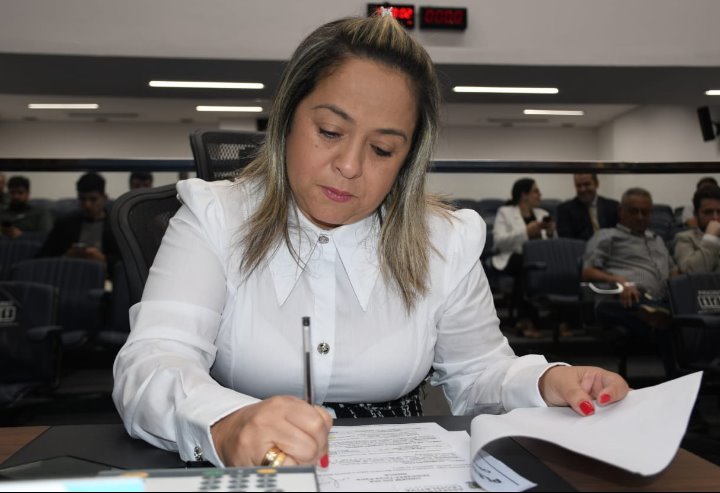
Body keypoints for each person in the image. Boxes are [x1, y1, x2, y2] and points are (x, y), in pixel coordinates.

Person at [112, 13, 628, 470]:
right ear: (287, 118)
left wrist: (545, 383)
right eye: (331, 132)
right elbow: (154, 360)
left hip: (402, 472)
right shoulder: (215, 216)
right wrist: (225, 422)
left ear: (407, 160)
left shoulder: (445, 240)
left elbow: (478, 373)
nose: (351, 166)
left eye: (382, 149)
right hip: (250, 469)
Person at [582, 187, 678, 339]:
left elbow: (673, 271)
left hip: (663, 299)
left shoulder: (657, 239)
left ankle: (659, 318)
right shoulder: (606, 236)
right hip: (629, 298)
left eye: (645, 212)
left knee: (681, 306)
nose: (640, 217)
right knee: (612, 308)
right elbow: (588, 272)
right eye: (634, 211)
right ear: (620, 211)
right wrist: (620, 281)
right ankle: (659, 320)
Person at [491, 178, 554, 338]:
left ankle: (530, 320)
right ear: (524, 195)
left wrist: (551, 233)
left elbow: (552, 245)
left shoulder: (543, 214)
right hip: (510, 257)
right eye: (535, 191)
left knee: (530, 267)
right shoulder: (505, 212)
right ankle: (526, 319)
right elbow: (500, 242)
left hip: (539, 260)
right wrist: (526, 231)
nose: (540, 195)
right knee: (525, 266)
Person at [37, 172, 119, 274]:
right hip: (68, 274)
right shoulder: (64, 224)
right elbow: (42, 258)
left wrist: (104, 259)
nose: (87, 204)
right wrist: (66, 257)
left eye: (93, 199)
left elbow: (127, 262)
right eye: (82, 199)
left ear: (104, 198)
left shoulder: (117, 227)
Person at [674, 184, 720, 273]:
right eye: (708, 212)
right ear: (695, 214)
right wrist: (711, 237)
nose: (715, 218)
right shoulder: (686, 239)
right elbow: (691, 272)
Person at [556, 173, 618, 241]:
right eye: (579, 186)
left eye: (587, 184)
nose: (582, 189)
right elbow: (567, 242)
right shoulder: (565, 210)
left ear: (596, 184)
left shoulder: (613, 207)